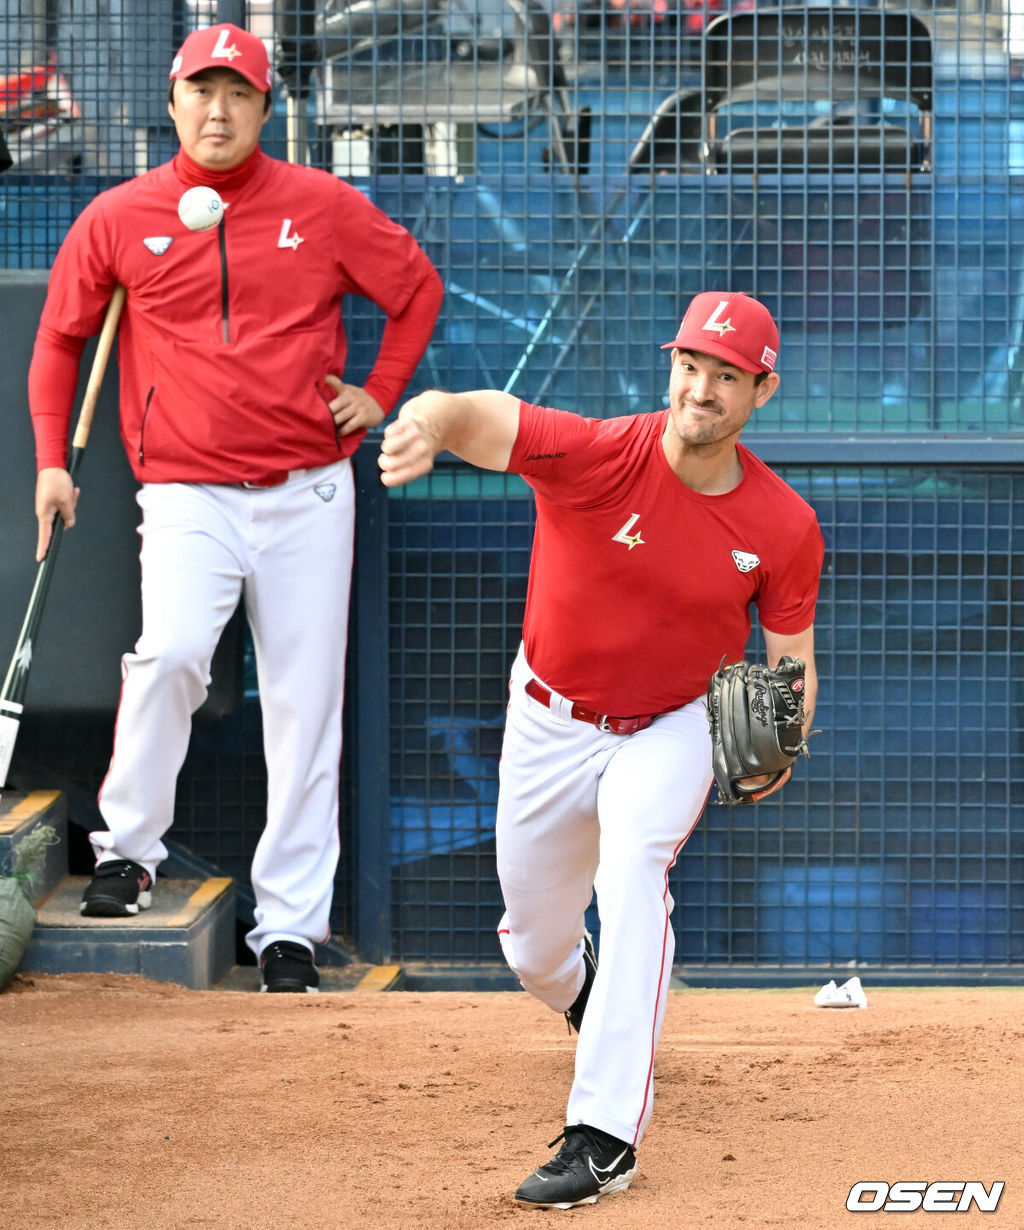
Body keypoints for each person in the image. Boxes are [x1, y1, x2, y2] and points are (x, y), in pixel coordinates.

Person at [377, 290, 823, 1208]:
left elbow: (790, 663)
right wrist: (425, 418)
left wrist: (782, 740)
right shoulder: (598, 454)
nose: (702, 388)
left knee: (632, 875)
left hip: (670, 726)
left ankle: (604, 1137)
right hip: (547, 717)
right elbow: (485, 416)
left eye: (727, 376)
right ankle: (594, 1003)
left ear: (761, 393)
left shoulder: (782, 525)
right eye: (691, 365)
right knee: (534, 948)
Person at [27, 23, 443, 991]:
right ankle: (130, 849)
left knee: (304, 710)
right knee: (168, 654)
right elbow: (59, 342)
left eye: (238, 94)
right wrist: (54, 463)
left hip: (308, 491)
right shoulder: (120, 214)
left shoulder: (323, 205)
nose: (218, 111)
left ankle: (290, 930)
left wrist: (379, 389)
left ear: (266, 107)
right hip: (184, 490)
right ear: (173, 102)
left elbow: (415, 288)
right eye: (201, 92)